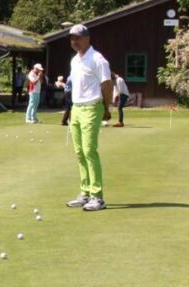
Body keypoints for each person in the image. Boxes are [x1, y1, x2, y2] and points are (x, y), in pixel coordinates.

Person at [65, 24, 113, 212]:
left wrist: (106, 107)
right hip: (76, 108)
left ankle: (97, 196)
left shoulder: (98, 59)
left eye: (78, 37)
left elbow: (107, 84)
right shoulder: (75, 60)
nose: (74, 41)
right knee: (79, 152)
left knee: (89, 150)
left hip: (92, 107)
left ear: (87, 39)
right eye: (72, 38)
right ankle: (85, 192)